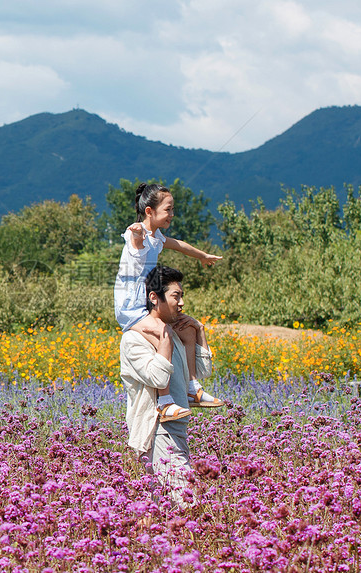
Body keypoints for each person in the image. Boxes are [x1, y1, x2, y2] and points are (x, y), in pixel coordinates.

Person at [114, 181, 224, 423]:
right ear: (149, 212)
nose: (172, 215)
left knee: (186, 329)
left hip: (146, 301)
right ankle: (164, 403)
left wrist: (203, 256)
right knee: (164, 333)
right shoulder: (137, 234)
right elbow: (137, 244)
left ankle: (192, 387)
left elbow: (178, 245)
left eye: (173, 209)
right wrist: (137, 235)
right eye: (168, 210)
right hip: (130, 307)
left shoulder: (157, 236)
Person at [120, 265, 212, 508]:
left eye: (182, 296)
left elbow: (201, 374)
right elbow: (158, 378)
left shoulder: (172, 332)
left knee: (164, 506)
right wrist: (164, 340)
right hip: (158, 429)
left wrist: (198, 331)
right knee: (187, 503)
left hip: (177, 426)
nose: (181, 303)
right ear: (154, 297)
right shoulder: (134, 338)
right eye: (175, 296)